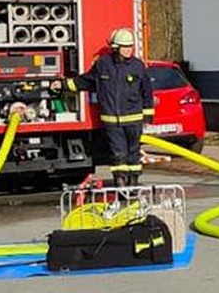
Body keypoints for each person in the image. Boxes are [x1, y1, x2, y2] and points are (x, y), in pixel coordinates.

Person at [58, 28, 154, 187]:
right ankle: (120, 183)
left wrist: (148, 113)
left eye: (130, 46)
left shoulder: (138, 66)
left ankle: (133, 183)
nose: (129, 50)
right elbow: (86, 81)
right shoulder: (103, 64)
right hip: (112, 121)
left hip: (134, 120)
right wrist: (63, 85)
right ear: (115, 48)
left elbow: (147, 90)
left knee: (133, 154)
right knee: (118, 154)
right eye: (125, 47)